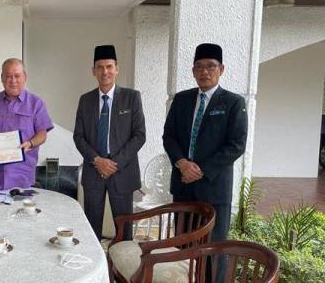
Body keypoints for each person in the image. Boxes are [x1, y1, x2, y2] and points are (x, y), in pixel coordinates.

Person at [163, 43, 248, 243]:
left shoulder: (233, 102)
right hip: (183, 186)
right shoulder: (181, 99)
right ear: (193, 71)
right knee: (183, 247)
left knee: (212, 251)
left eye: (211, 66)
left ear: (221, 69)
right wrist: (182, 163)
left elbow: (237, 144)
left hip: (213, 188)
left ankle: (210, 277)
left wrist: (200, 170)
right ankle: (186, 277)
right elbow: (169, 136)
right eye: (199, 66)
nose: (205, 71)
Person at [73, 45, 146, 240]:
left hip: (122, 173)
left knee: (124, 232)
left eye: (109, 66)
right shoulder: (85, 100)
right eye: (100, 67)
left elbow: (139, 135)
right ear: (93, 71)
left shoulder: (132, 97)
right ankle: (96, 269)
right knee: (91, 232)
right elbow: (78, 136)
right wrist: (97, 160)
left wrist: (114, 163)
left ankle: (121, 271)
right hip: (93, 172)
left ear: (116, 68)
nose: (105, 71)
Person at [0, 58, 53, 190]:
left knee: (21, 211)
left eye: (17, 76)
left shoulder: (36, 103)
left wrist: (31, 143)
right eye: (8, 76)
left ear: (25, 77)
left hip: (23, 177)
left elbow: (42, 134)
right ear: (2, 78)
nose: (13, 80)